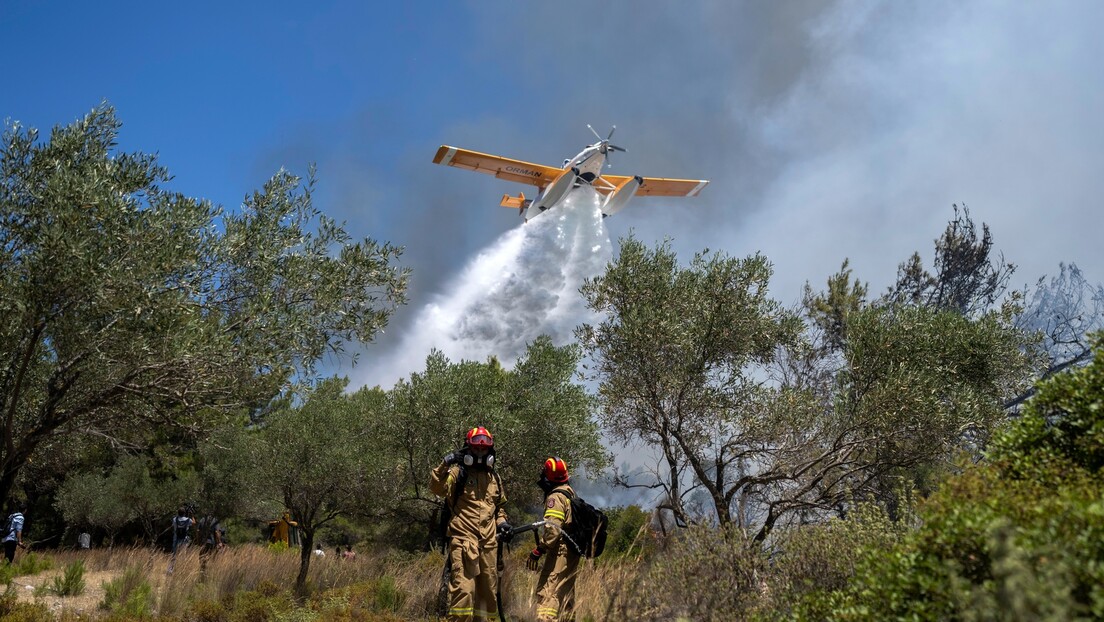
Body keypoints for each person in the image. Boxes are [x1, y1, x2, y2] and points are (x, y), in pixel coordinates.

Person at [430, 426, 510, 622]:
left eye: (484, 450)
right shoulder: (458, 473)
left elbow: (499, 507)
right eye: (476, 449)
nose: (480, 453)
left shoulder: (495, 478)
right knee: (464, 594)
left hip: (489, 545)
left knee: (488, 599)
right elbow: (437, 488)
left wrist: (503, 523)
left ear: (490, 452)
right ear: (468, 449)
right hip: (464, 541)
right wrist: (445, 463)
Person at [527, 458, 581, 622]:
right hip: (571, 552)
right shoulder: (569, 491)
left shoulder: (556, 497)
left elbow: (553, 529)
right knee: (565, 593)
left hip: (560, 551)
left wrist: (539, 550)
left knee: (548, 591)